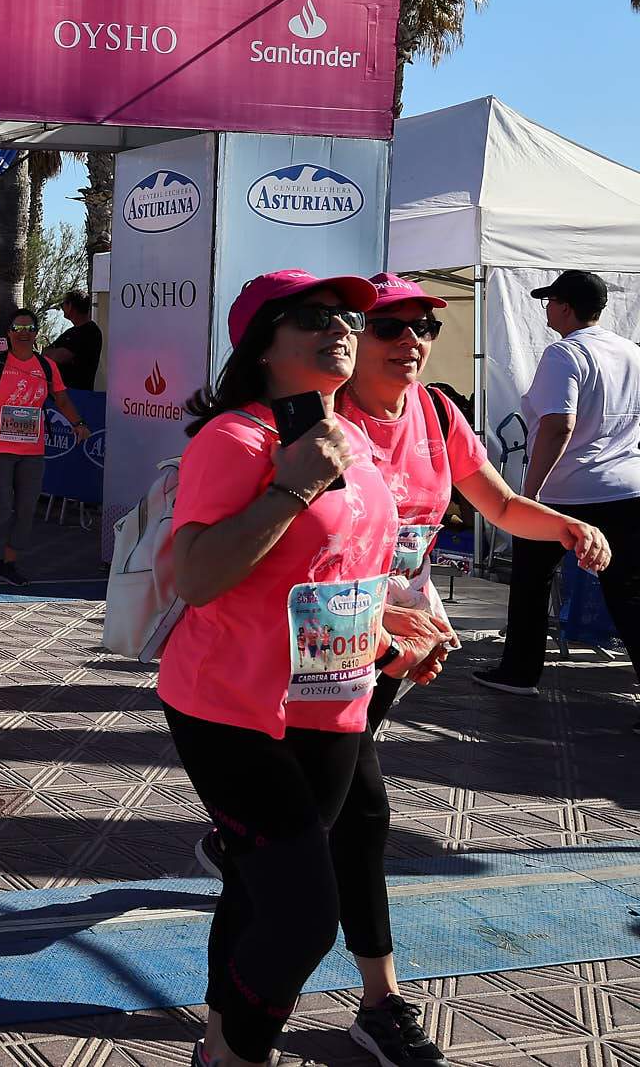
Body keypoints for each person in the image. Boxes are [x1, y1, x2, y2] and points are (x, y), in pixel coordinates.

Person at [188, 271, 608, 1065]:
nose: (408, 340)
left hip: (366, 659)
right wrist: (299, 496)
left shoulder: (429, 413)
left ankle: (234, 1030)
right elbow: (217, 568)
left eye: (421, 327)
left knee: (292, 859)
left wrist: (563, 527)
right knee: (345, 839)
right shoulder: (293, 424)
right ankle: (356, 1005)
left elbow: (471, 515)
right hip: (277, 680)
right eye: (391, 325)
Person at [162, 269, 449, 1067]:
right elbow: (197, 575)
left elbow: (335, 571)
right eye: (313, 317)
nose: (343, 328)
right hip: (231, 709)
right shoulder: (235, 439)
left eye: (349, 316)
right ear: (263, 346)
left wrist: (390, 630)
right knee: (301, 920)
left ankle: (218, 1039)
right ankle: (240, 1053)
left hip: (333, 704)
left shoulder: (350, 437)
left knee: (254, 890)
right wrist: (291, 484)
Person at [477, 269, 640, 713]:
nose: (546, 309)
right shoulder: (631, 351)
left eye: (551, 301)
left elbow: (557, 425)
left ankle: (519, 672)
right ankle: (518, 672)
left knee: (531, 583)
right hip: (625, 489)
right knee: (628, 594)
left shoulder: (564, 354)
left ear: (566, 306)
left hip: (568, 492)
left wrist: (529, 495)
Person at [0, 308, 92, 587]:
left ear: (37, 333)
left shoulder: (46, 367)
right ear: (9, 333)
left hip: (31, 451)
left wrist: (78, 423)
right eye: (17, 328)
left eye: (29, 328)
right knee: (1, 510)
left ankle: (8, 564)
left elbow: (61, 400)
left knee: (26, 511)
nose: (23, 333)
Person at [43, 289, 102, 391]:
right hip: (60, 392)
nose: (62, 308)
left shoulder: (89, 331)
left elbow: (60, 356)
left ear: (70, 306)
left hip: (76, 394)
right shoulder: (71, 332)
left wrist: (48, 352)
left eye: (63, 305)